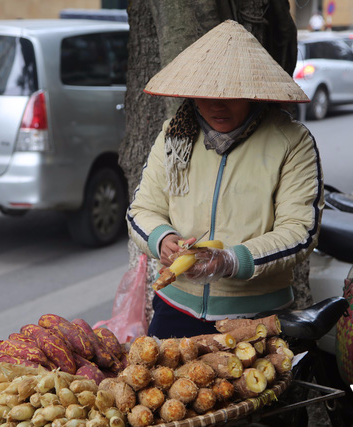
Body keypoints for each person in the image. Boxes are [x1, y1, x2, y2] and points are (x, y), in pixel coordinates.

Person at [126, 20, 324, 339]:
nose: (217, 105)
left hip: (258, 316)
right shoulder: (175, 136)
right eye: (205, 95)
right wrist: (162, 239)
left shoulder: (291, 141)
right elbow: (142, 210)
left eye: (230, 95)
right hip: (175, 309)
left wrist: (231, 260)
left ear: (253, 94)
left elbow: (300, 231)